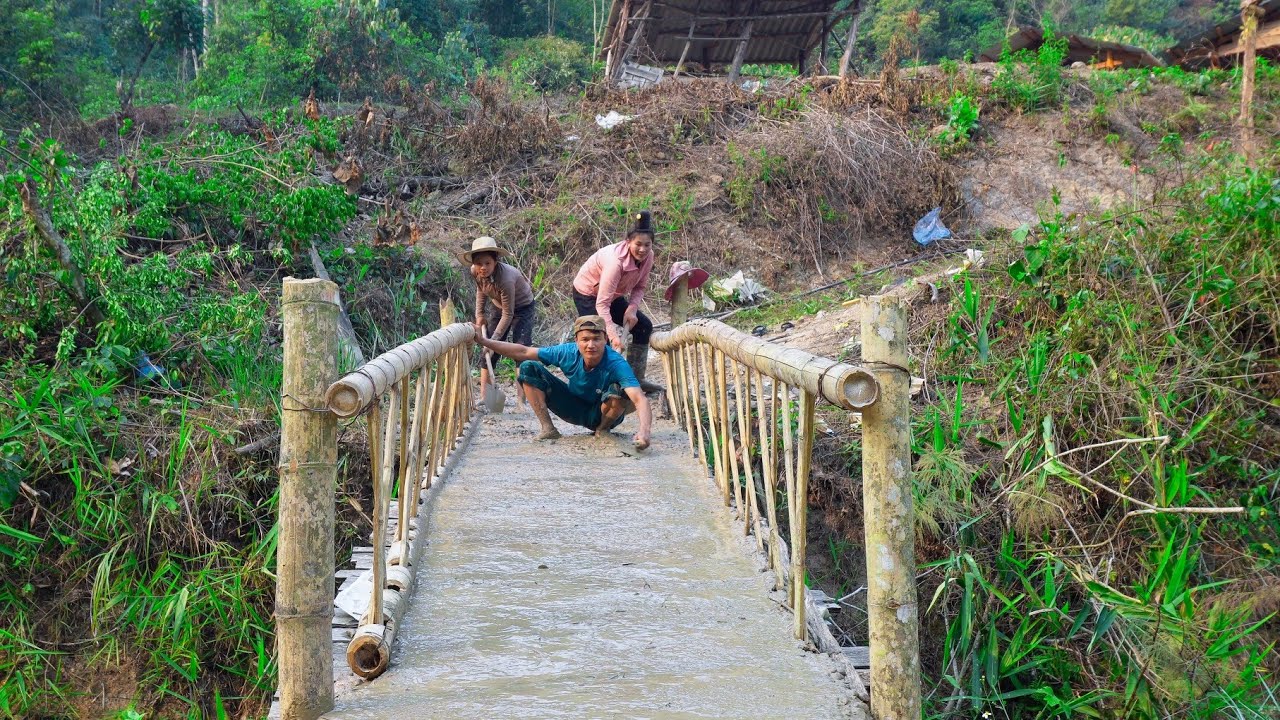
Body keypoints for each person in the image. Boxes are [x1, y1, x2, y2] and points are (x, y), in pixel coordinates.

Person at [474, 315, 652, 450]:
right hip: (573, 407)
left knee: (620, 391)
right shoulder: (567, 352)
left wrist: (644, 432)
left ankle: (602, 431)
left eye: (596, 339)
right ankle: (548, 429)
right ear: (576, 341)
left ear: (605, 340)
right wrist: (484, 341)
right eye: (585, 339)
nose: (591, 345)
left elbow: (640, 399)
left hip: (603, 414)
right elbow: (524, 352)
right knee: (528, 367)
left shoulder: (616, 363)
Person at [572, 210, 662, 394]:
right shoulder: (615, 262)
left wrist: (632, 308)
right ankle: (601, 387)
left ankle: (635, 379)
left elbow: (640, 287)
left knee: (643, 326)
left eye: (647, 245)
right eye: (638, 244)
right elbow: (602, 304)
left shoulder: (648, 256)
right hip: (588, 293)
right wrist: (613, 337)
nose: (643, 249)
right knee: (599, 338)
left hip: (613, 295)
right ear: (628, 242)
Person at [460, 236, 536, 403]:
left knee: (520, 351)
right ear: (474, 264)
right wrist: (480, 315)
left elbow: (508, 314)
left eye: (487, 263)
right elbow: (481, 290)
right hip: (499, 306)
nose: (483, 267)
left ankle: (521, 400)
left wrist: (492, 341)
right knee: (487, 353)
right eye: (479, 263)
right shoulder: (475, 271)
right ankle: (485, 397)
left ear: (495, 261)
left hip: (522, 308)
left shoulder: (506, 279)